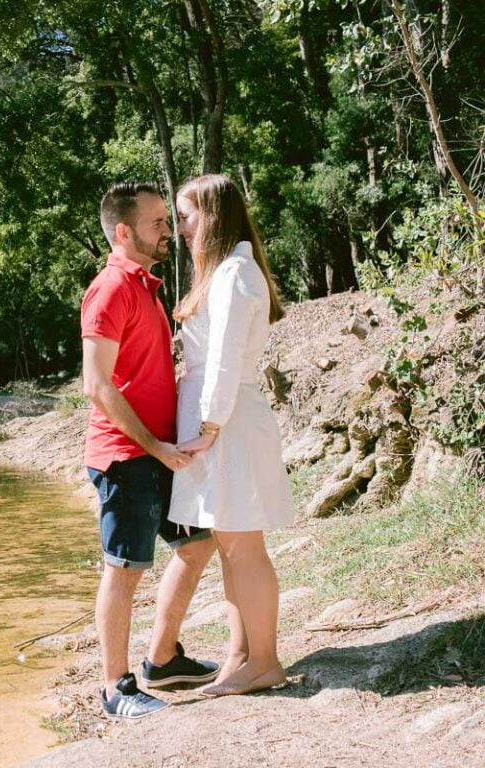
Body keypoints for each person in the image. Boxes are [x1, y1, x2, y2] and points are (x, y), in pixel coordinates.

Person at [81, 181, 220, 720]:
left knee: (198, 543)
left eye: (168, 220)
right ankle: (115, 688)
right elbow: (97, 385)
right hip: (126, 456)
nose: (168, 231)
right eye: (157, 223)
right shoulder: (110, 289)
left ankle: (163, 660)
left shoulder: (145, 286)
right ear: (123, 231)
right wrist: (156, 448)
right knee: (124, 569)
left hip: (160, 452)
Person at [169, 173, 296, 697]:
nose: (180, 228)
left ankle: (265, 662)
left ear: (213, 215)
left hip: (228, 424)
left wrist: (208, 428)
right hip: (219, 422)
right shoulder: (224, 272)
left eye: (186, 216)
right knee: (229, 546)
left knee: (244, 547)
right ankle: (240, 656)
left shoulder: (237, 274)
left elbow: (223, 362)